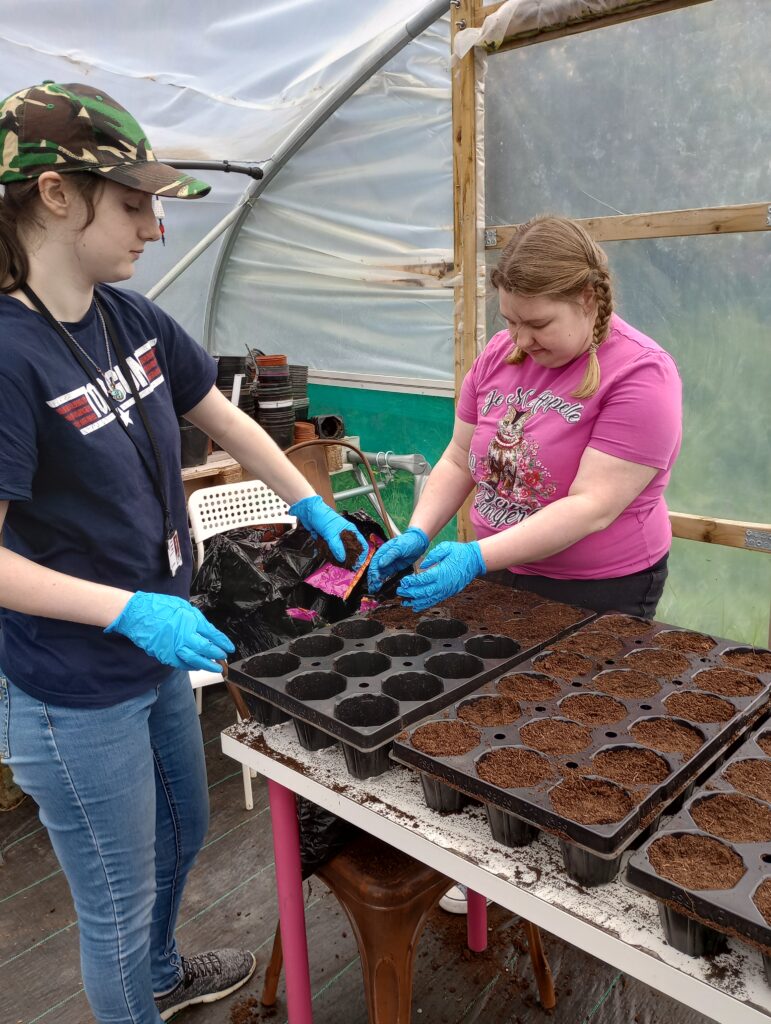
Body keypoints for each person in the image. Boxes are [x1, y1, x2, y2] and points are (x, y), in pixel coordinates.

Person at [0, 82, 366, 1023]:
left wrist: (307, 503)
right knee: (115, 900)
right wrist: (125, 607)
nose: (154, 228)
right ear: (53, 195)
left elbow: (223, 416)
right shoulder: (7, 357)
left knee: (183, 826)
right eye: (131, 203)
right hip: (73, 680)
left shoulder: (128, 319)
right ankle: (138, 981)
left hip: (156, 647)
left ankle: (162, 976)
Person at [367, 215, 682, 912]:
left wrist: (476, 555)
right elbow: (458, 457)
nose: (520, 340)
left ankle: (566, 881)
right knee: (493, 715)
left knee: (575, 729)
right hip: (502, 572)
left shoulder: (641, 374)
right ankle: (491, 857)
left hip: (601, 587)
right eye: (509, 321)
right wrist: (418, 532)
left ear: (589, 301)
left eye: (536, 323)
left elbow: (593, 506)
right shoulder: (501, 358)